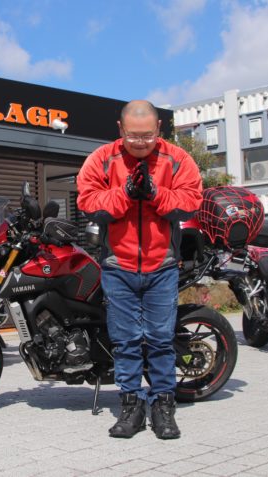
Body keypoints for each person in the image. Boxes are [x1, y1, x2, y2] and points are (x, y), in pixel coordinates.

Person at [76, 100, 203, 439]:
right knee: (126, 342)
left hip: (162, 266)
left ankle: (163, 407)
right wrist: (126, 193)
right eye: (133, 136)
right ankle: (131, 407)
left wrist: (157, 193)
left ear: (159, 128)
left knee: (161, 340)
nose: (141, 143)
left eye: (147, 136)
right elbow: (87, 202)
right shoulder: (102, 159)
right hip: (118, 266)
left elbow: (191, 201)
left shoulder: (178, 159)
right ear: (120, 129)